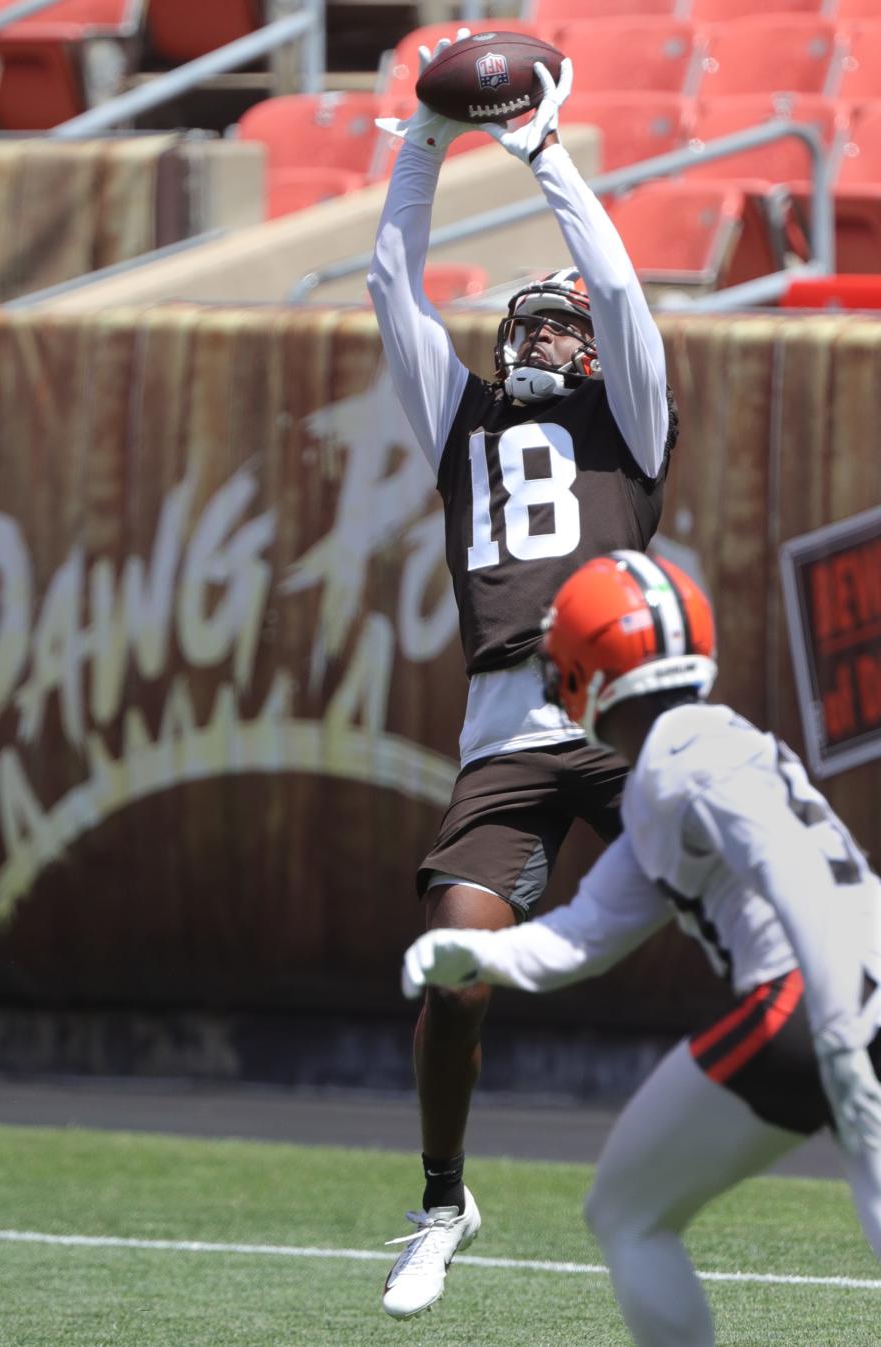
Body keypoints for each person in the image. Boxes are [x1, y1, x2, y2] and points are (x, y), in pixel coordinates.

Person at [367, 37, 678, 1320]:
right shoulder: (464, 421)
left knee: (774, 916)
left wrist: (543, 150)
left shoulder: (633, 421)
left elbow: (615, 282)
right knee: (453, 962)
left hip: (627, 713)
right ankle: (443, 1201)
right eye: (527, 317)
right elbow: (391, 282)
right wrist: (427, 144)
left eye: (564, 319)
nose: (546, 327)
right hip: (504, 727)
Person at [403, 548, 881, 1346]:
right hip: (848, 983)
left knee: (627, 1212)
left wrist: (839, 1033)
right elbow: (584, 936)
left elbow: (789, 867)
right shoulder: (684, 754)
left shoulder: (679, 757)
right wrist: (477, 958)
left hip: (821, 995)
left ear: (588, 666)